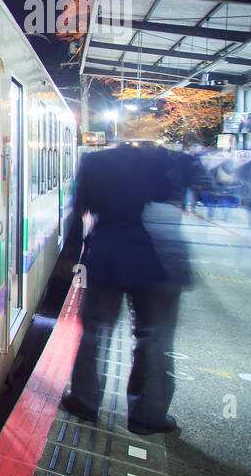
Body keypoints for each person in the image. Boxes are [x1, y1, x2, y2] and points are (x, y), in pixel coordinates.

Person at [61, 142, 191, 435]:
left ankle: (84, 400)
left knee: (94, 331)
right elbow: (175, 205)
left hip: (108, 255)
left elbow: (78, 211)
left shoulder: (96, 161)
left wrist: (70, 260)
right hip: (160, 261)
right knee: (154, 338)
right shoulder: (170, 161)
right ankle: (148, 415)